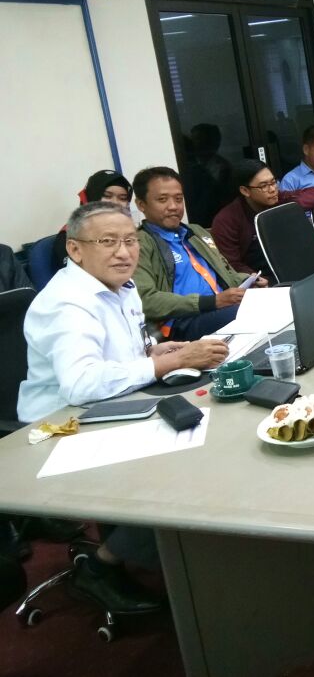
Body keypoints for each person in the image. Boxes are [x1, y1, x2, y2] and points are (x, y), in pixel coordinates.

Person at [17, 201, 227, 613]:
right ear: (75, 250)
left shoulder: (119, 286)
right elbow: (81, 383)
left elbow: (120, 353)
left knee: (208, 433)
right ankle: (100, 566)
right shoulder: (68, 303)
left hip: (111, 404)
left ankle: (164, 551)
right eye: (108, 242)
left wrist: (157, 351)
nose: (124, 252)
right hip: (62, 424)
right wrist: (167, 364)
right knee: (183, 470)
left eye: (130, 241)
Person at [133, 167, 262, 341]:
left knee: (283, 297)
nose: (173, 206)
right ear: (141, 204)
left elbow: (226, 274)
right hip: (182, 322)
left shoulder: (196, 232)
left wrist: (248, 280)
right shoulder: (138, 243)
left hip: (222, 308)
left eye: (179, 199)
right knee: (254, 313)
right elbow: (145, 300)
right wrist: (212, 302)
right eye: (162, 200)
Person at [211, 160, 314, 274]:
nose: (272, 189)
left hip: (291, 264)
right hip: (260, 275)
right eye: (264, 186)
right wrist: (254, 278)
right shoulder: (227, 220)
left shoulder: (278, 199)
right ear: (245, 191)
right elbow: (231, 264)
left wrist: (288, 208)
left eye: (273, 182)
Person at [51, 170, 134, 274]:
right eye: (107, 196)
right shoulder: (70, 235)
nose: (115, 203)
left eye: (122, 198)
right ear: (91, 198)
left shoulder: (128, 233)